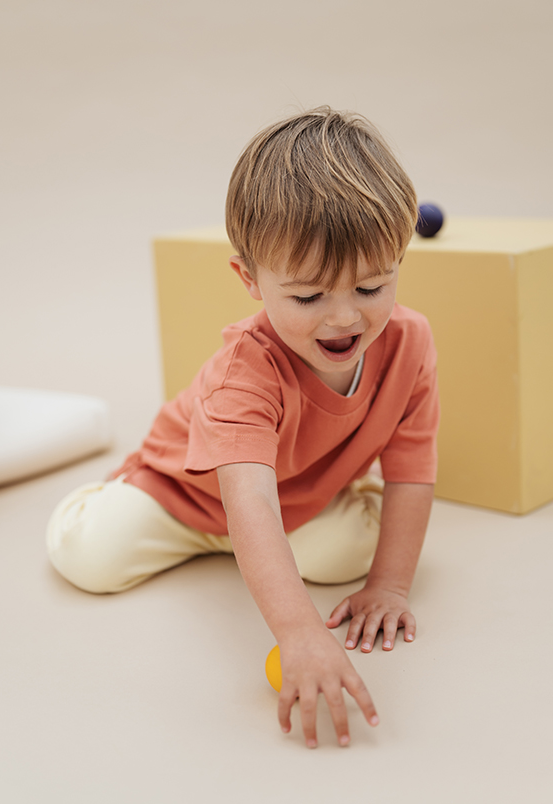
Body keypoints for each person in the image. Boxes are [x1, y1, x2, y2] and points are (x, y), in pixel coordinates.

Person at [47, 107, 439, 749]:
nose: (343, 319)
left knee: (349, 560)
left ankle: (301, 532)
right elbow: (248, 499)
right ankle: (109, 492)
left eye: (372, 286)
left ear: (399, 256)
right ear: (250, 279)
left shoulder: (411, 343)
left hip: (292, 501)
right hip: (187, 496)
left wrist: (391, 586)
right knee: (91, 560)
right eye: (308, 298)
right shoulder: (243, 376)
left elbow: (413, 468)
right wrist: (302, 632)